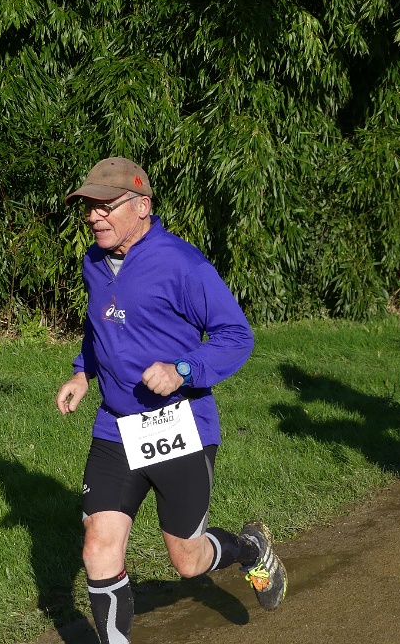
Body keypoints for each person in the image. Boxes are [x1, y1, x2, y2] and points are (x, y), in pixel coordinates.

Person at [55, 157, 286, 644]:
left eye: (105, 206)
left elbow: (236, 336)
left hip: (177, 424)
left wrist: (182, 370)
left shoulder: (183, 264)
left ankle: (250, 549)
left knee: (187, 560)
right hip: (116, 425)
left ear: (142, 206)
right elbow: (101, 325)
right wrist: (82, 371)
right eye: (89, 207)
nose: (94, 216)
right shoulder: (94, 262)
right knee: (98, 546)